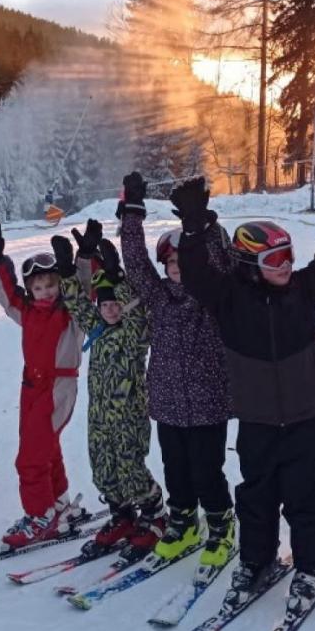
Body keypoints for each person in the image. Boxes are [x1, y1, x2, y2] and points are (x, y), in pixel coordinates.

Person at [174, 162, 315, 612]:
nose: (286, 266)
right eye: (275, 259)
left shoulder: (303, 291)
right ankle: (256, 560)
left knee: (307, 497)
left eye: (289, 255)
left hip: (307, 420)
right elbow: (195, 276)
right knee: (256, 497)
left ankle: (312, 564)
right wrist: (193, 229)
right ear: (250, 263)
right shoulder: (230, 299)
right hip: (255, 423)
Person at [118, 171, 236, 568]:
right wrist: (132, 211)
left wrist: (198, 226)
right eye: (171, 261)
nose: (177, 267)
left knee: (207, 471)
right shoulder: (158, 298)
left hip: (208, 403)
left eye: (184, 260)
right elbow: (134, 263)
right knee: (176, 470)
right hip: (167, 404)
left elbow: (219, 259)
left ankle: (221, 524)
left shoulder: (215, 299)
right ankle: (183, 520)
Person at [56, 224, 165, 554]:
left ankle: (155, 514)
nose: (111, 309)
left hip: (129, 417)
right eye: (105, 305)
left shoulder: (133, 336)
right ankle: (122, 515)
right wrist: (67, 270)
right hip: (100, 418)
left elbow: (134, 313)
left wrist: (118, 276)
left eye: (116, 305)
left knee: (131, 467)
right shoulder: (96, 329)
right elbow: (77, 303)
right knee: (103, 468)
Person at [0, 222, 86, 554]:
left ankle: (40, 517)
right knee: (45, 447)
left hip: (58, 385)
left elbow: (83, 288)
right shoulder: (25, 311)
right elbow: (7, 293)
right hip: (31, 386)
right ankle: (59, 503)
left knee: (30, 459)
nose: (46, 292)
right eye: (38, 287)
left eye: (52, 285)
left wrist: (78, 261)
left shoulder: (70, 313)